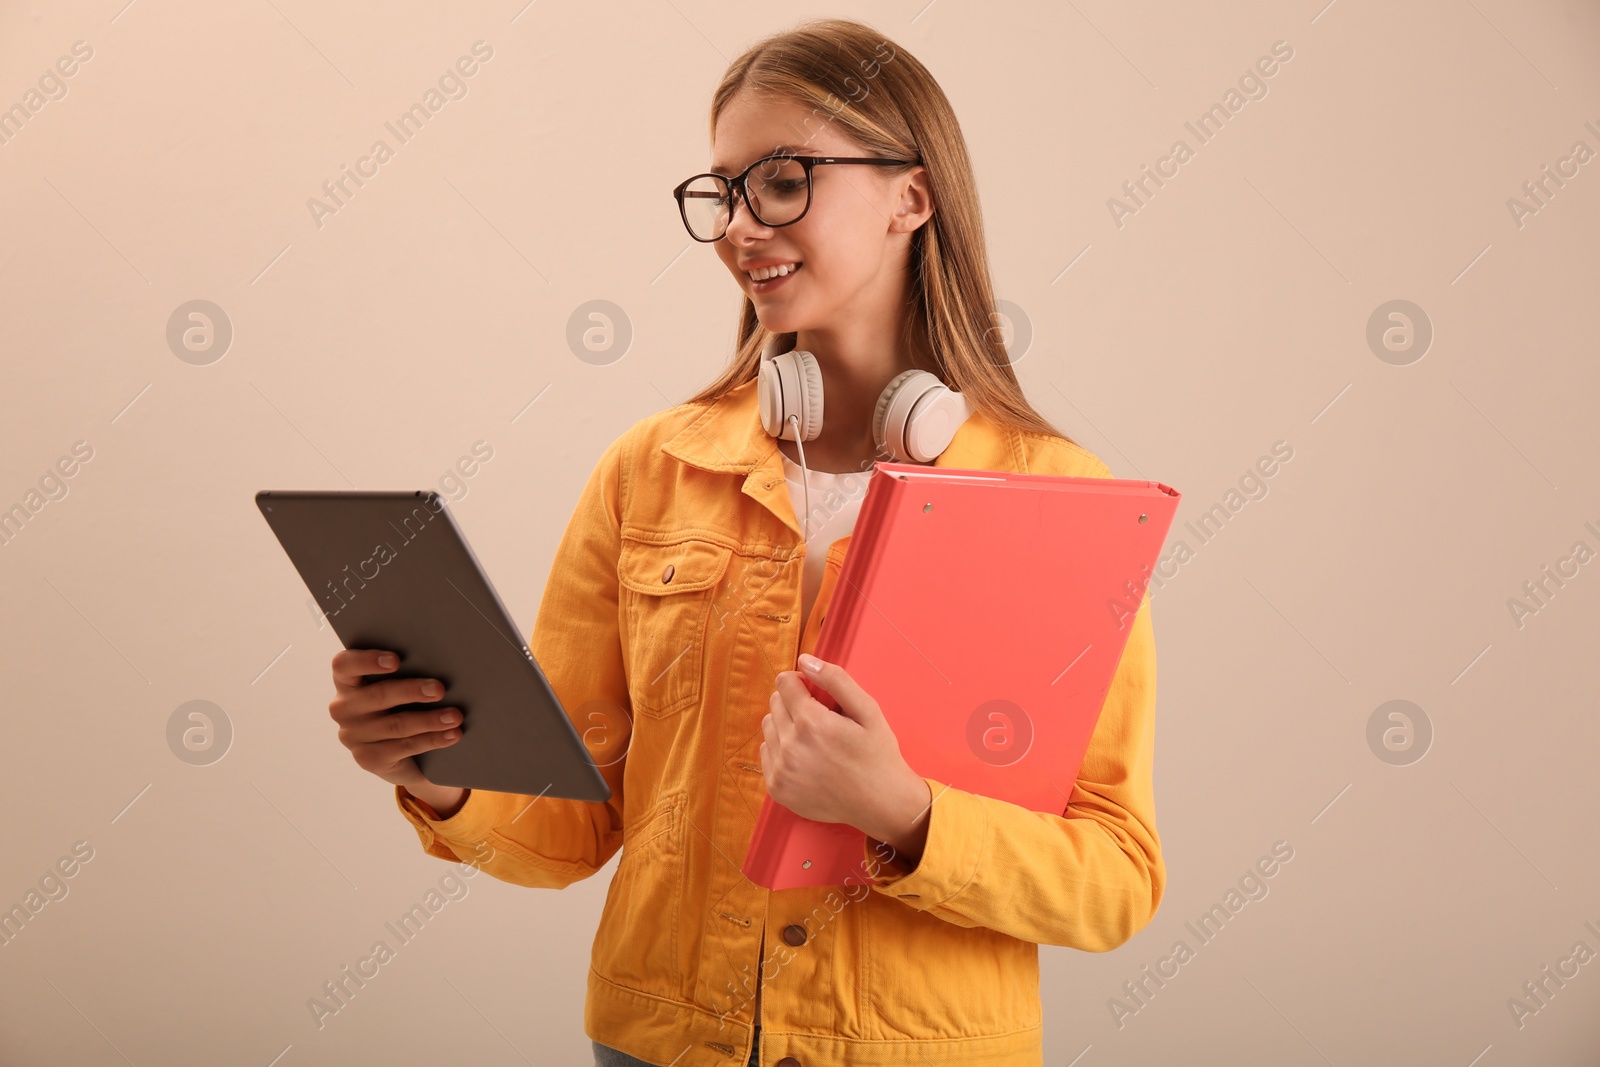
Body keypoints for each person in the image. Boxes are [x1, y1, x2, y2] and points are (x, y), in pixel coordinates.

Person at [326, 16, 1164, 1067]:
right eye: (723, 190)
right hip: (660, 1043)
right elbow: (570, 824)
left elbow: (1115, 876)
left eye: (782, 181)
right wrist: (439, 771)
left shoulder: (1059, 498)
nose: (739, 226)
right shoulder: (650, 469)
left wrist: (902, 812)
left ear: (912, 195)